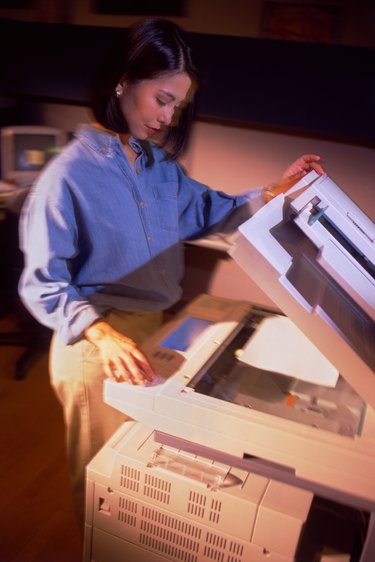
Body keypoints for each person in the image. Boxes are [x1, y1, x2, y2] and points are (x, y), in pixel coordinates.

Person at [18, 17, 324, 529]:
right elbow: (43, 281)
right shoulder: (69, 174)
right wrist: (102, 333)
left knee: (140, 485)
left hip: (150, 328)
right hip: (99, 345)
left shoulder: (160, 169)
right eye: (162, 99)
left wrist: (274, 191)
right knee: (105, 491)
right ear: (123, 81)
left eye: (177, 106)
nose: (167, 117)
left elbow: (213, 210)